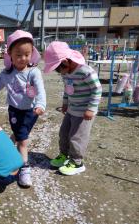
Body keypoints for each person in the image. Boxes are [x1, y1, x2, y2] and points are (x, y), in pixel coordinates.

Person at [0, 30, 46, 188]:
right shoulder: (6, 74)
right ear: (9, 54)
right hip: (15, 111)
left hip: (31, 111)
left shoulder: (33, 72)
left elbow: (40, 89)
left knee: (20, 135)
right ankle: (24, 168)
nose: (23, 58)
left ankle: (9, 143)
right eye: (18, 54)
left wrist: (41, 104)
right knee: (23, 141)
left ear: (32, 53)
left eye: (27, 54)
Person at [43, 41, 102, 175]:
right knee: (64, 133)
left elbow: (97, 90)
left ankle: (77, 162)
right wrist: (65, 103)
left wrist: (91, 109)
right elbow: (67, 89)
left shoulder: (85, 71)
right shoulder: (66, 72)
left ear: (66, 61)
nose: (59, 72)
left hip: (84, 112)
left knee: (77, 137)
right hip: (71, 109)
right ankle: (64, 155)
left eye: (58, 68)